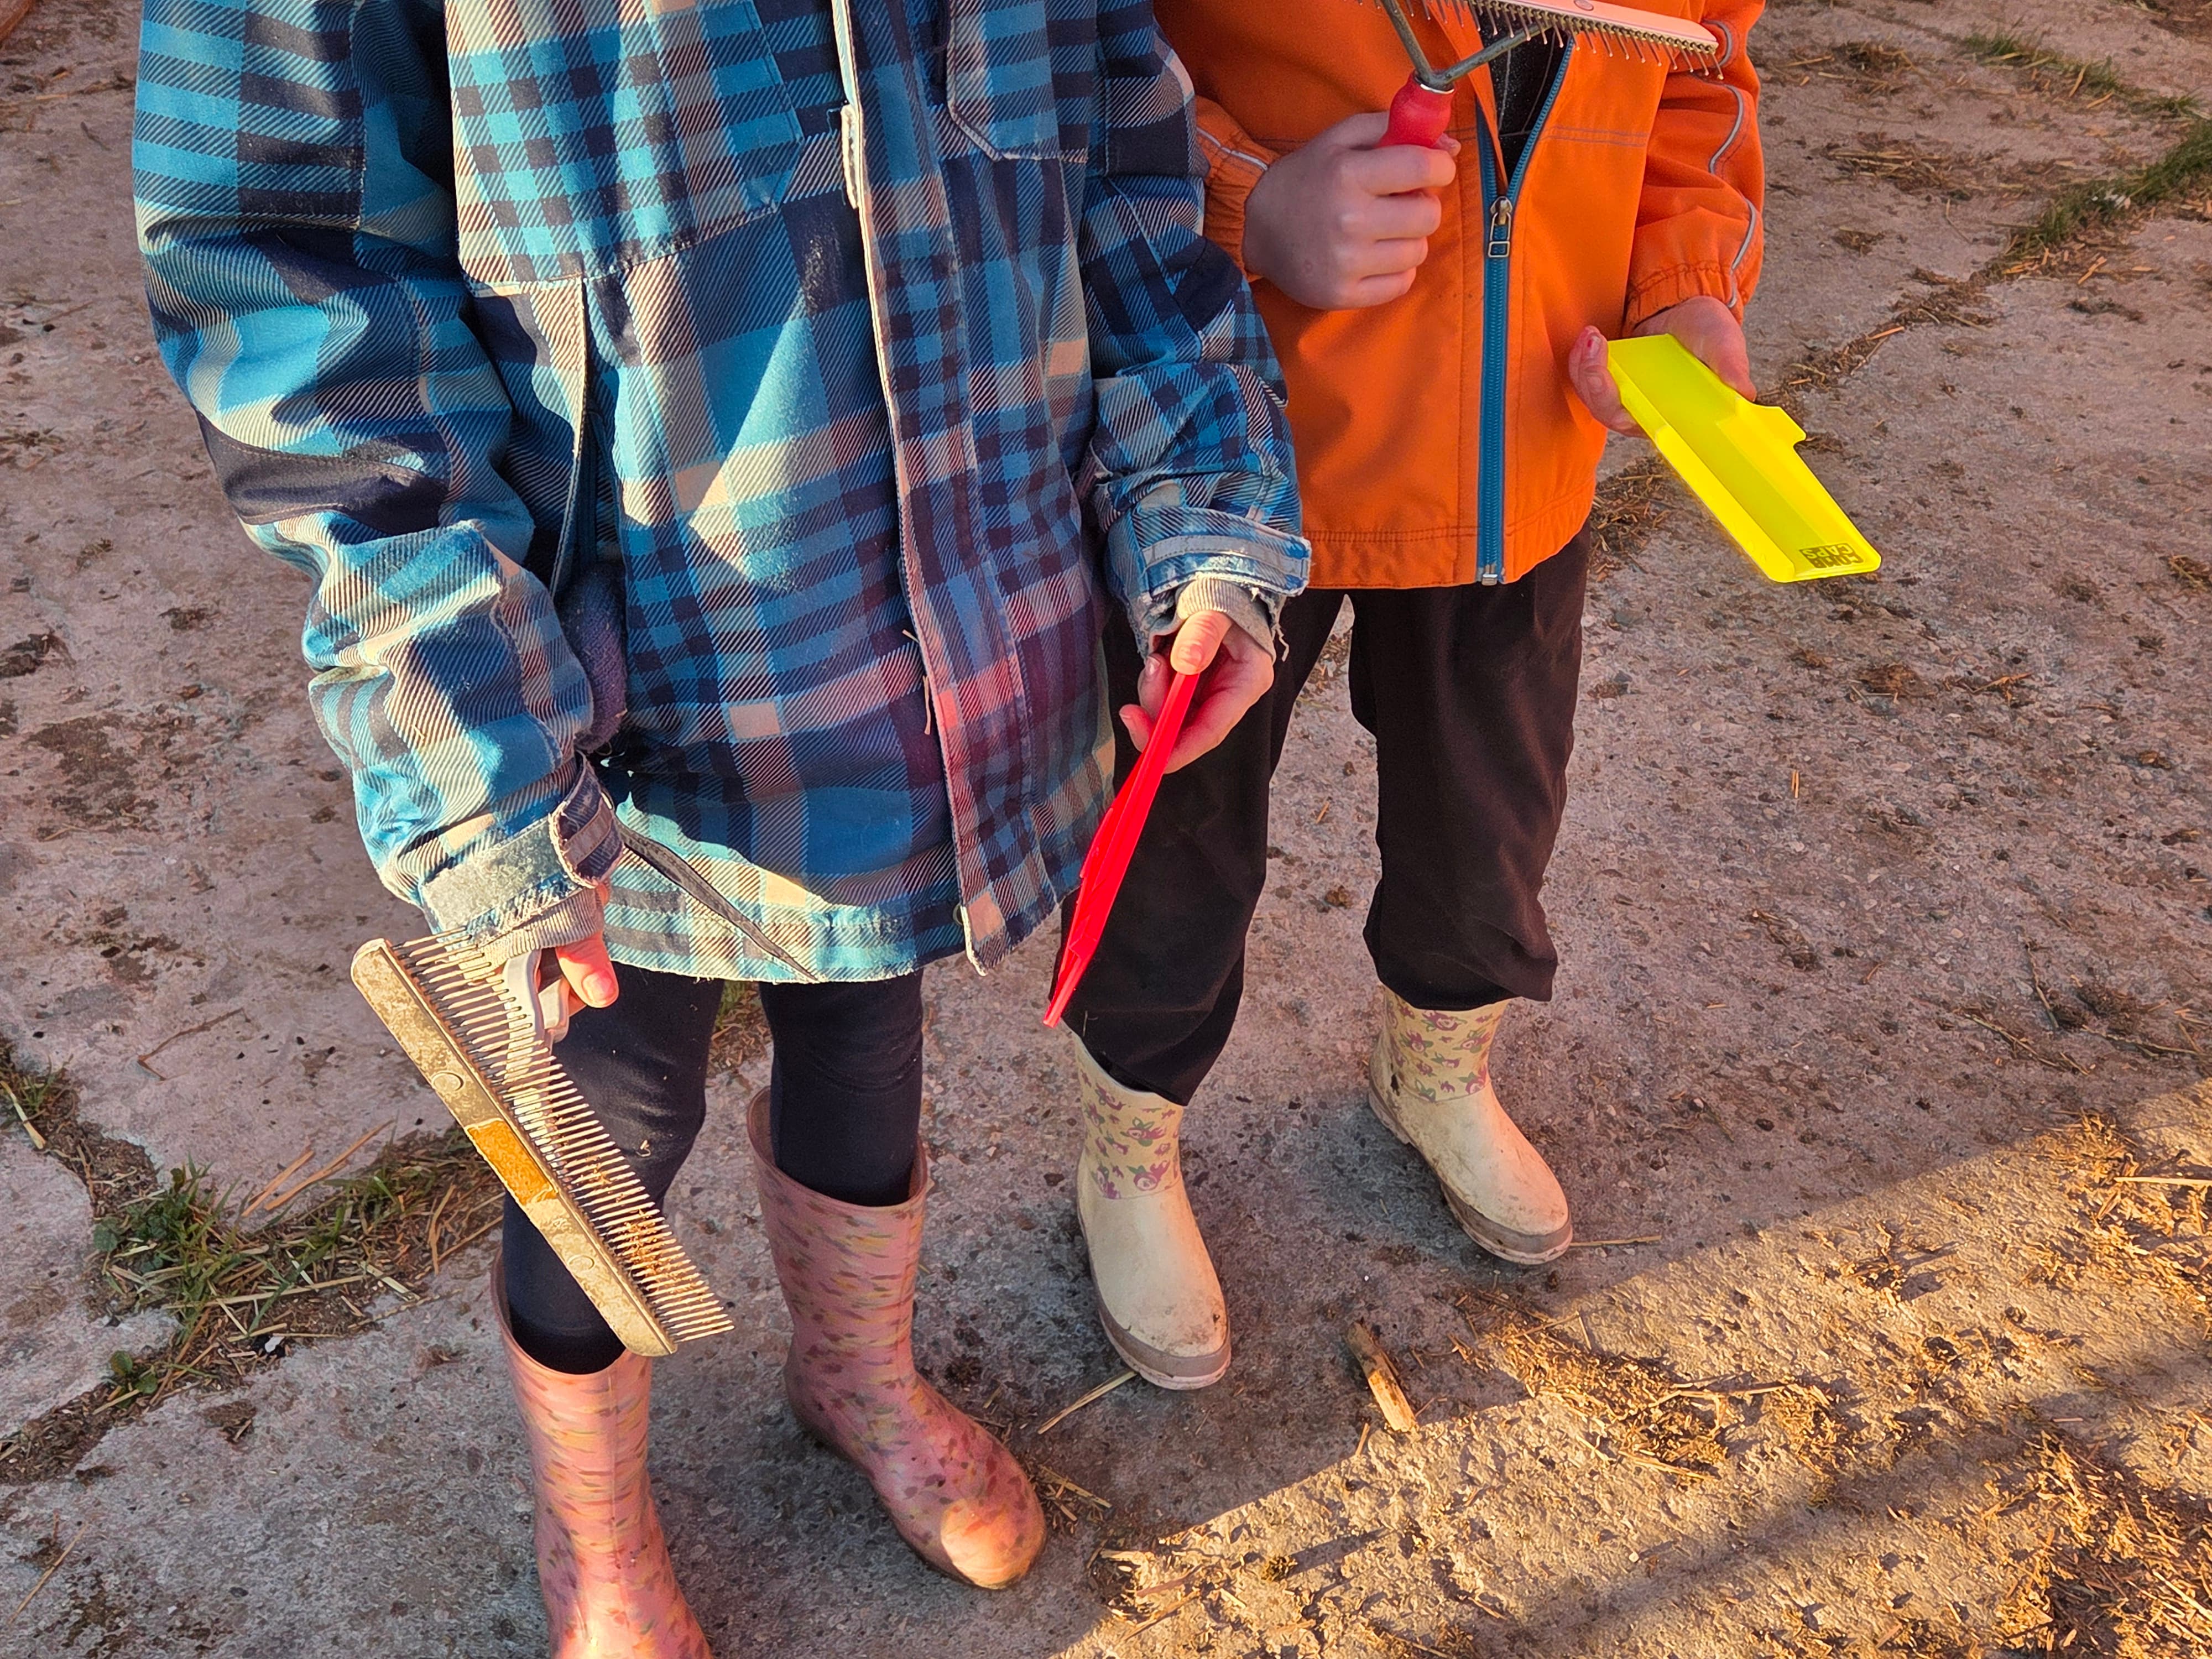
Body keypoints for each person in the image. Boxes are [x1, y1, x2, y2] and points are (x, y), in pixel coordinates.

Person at [133, 0, 1306, 1646]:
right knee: (605, 1128)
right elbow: (301, 303)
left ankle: (857, 1377)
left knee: (866, 1026)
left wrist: (1200, 508)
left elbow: (1124, 158)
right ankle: (595, 1539)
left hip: (929, 637)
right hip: (606, 705)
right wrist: (477, 752)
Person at [1058, 0, 1766, 1389]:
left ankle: (1433, 1069)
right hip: (1237, 453)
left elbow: (1700, 84)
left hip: (1520, 460)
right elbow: (1068, 68)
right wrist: (1245, 202)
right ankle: (1125, 1138)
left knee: (1488, 810)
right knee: (1175, 830)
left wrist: (1682, 282)